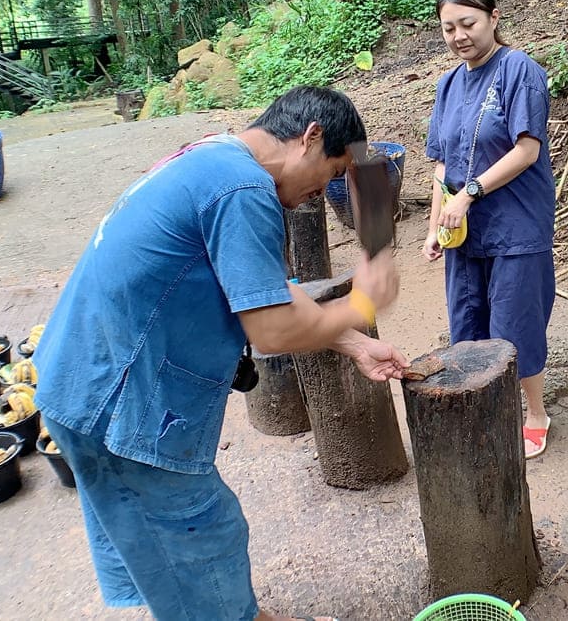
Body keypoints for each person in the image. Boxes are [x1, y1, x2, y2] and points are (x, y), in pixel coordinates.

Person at [34, 86, 406, 621]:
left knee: (163, 542)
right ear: (311, 137)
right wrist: (363, 302)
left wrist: (354, 342)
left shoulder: (215, 156)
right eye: (333, 172)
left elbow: (268, 290)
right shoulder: (243, 190)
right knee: (200, 532)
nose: (324, 192)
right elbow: (272, 331)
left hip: (79, 379)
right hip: (117, 400)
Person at [421, 0, 556, 459]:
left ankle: (536, 412)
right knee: (468, 321)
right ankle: (486, 410)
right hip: (464, 229)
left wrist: (470, 193)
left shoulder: (519, 70)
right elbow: (442, 161)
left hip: (517, 224)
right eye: (448, 27)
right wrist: (437, 220)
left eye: (468, 23)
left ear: (493, 18)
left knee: (515, 322)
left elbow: (526, 150)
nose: (459, 35)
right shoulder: (449, 84)